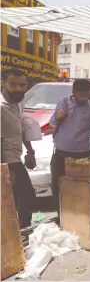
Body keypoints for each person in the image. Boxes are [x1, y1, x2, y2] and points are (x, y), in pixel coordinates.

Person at [49, 79, 90, 217]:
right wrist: (57, 117)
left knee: (80, 187)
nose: (84, 98)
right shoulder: (64, 102)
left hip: (81, 154)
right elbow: (53, 122)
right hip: (61, 152)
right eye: (81, 95)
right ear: (74, 93)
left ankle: (80, 216)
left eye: (87, 95)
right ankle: (61, 215)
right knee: (57, 186)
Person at [1, 69, 36, 228]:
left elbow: (22, 129)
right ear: (3, 83)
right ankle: (18, 234)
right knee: (22, 197)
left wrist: (30, 151)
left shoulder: (17, 103)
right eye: (13, 84)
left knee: (23, 197)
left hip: (15, 158)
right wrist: (5, 169)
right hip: (6, 161)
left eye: (22, 85)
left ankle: (20, 233)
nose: (18, 89)